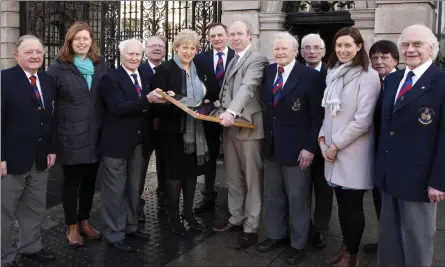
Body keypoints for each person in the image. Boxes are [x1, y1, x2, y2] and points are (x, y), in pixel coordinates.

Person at [375, 24, 445, 267]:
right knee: (389, 237)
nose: (410, 49)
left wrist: (439, 180)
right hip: (388, 173)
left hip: (421, 177)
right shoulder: (393, 79)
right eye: (405, 44)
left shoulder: (441, 82)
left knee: (417, 240)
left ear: (431, 48)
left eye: (417, 44)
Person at [256, 32, 325, 264]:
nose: (280, 53)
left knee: (298, 198)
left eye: (285, 49)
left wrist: (310, 148)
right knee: (273, 195)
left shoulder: (309, 76)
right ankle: (276, 235)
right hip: (272, 146)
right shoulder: (268, 72)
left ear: (296, 52)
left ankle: (298, 243)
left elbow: (317, 117)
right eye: (276, 49)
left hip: (298, 150)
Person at [318, 27, 380, 267]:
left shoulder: (368, 76)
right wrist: (322, 139)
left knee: (352, 206)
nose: (343, 50)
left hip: (352, 152)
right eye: (339, 45)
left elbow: (363, 121)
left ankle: (351, 256)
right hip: (331, 151)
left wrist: (335, 145)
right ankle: (347, 247)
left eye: (347, 45)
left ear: (359, 46)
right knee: (342, 206)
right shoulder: (334, 72)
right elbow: (328, 113)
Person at [98, 38, 166, 252]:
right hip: (115, 144)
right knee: (114, 190)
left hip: (138, 143)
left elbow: (149, 106)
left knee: (133, 188)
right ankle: (114, 234)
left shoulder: (145, 75)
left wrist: (165, 98)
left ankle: (131, 227)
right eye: (130, 54)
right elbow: (118, 108)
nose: (134, 58)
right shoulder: (110, 79)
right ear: (121, 55)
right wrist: (148, 100)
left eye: (138, 54)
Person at [47, 21, 107, 247]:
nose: (82, 42)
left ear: (91, 41)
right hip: (69, 133)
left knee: (91, 181)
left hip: (95, 133)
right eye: (77, 38)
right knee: (72, 181)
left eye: (86, 38)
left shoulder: (100, 65)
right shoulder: (58, 68)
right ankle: (71, 226)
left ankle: (84, 221)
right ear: (70, 42)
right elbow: (47, 102)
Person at [211, 20, 269, 249]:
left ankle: (251, 226)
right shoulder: (234, 58)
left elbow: (248, 86)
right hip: (230, 126)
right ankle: (236, 218)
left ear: (250, 35)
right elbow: (228, 92)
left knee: (253, 180)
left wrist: (232, 110)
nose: (234, 38)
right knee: (233, 176)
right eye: (231, 34)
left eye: (239, 34)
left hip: (250, 128)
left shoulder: (257, 58)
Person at [1, 35, 57, 266]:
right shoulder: (4, 79)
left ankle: (31, 247)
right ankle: (4, 256)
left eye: (39, 52)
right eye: (29, 52)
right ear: (17, 56)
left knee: (34, 207)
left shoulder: (46, 79)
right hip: (11, 159)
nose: (35, 56)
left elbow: (50, 117)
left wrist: (51, 148)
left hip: (40, 157)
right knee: (4, 212)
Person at [151, 29, 208, 236]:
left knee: (191, 175)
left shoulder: (198, 68)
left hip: (196, 132)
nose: (189, 51)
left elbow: (206, 91)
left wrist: (207, 101)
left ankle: (188, 213)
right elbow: (155, 104)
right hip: (173, 132)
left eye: (193, 48)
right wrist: (169, 100)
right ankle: (173, 215)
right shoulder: (165, 69)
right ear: (176, 47)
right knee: (174, 176)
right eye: (185, 47)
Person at [193, 22, 235, 214]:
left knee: (234, 158)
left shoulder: (237, 57)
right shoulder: (200, 59)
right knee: (209, 157)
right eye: (213, 36)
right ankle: (208, 195)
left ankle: (235, 199)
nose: (216, 39)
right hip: (209, 115)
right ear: (208, 39)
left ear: (227, 36)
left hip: (234, 115)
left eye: (220, 35)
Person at [365, 39, 399, 254]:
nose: (378, 61)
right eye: (375, 57)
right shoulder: (370, 80)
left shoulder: (400, 81)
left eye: (384, 57)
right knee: (379, 201)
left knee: (395, 204)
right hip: (374, 150)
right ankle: (386, 243)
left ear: (395, 59)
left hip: (394, 155)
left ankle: (396, 246)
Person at [300, 32, 332, 249]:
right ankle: (302, 224)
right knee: (300, 188)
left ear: (323, 51)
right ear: (301, 51)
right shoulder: (295, 72)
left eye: (316, 48)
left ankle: (320, 228)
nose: (311, 51)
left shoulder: (332, 74)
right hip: (299, 140)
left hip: (324, 140)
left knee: (323, 189)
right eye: (307, 48)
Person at [138, 35, 168, 220]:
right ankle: (136, 204)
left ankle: (164, 199)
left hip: (166, 127)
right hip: (144, 126)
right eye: (152, 46)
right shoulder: (138, 69)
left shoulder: (170, 69)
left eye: (160, 46)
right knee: (140, 167)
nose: (157, 48)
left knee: (165, 165)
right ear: (145, 49)